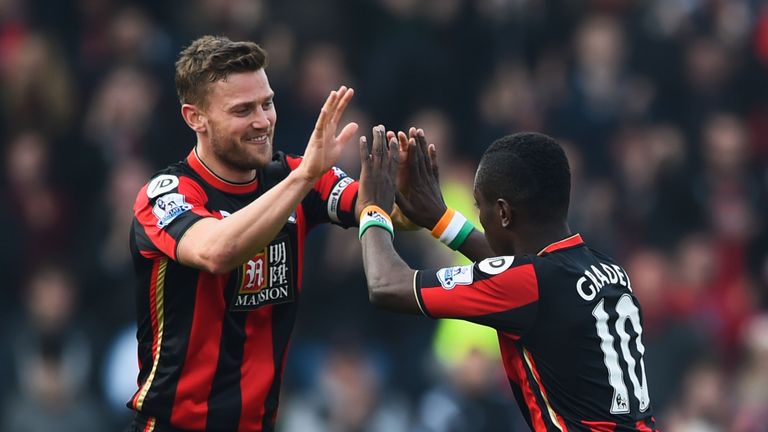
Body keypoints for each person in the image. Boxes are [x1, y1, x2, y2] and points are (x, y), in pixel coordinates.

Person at [127, 35, 362, 431]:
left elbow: (372, 205)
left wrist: (402, 189)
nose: (263, 121)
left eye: (267, 103)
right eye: (242, 110)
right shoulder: (165, 195)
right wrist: (304, 178)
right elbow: (217, 251)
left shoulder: (294, 175)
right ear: (195, 118)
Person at [356, 129, 659, 430]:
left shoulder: (529, 283)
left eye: (479, 206)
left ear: (503, 212)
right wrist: (440, 220)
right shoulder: (607, 268)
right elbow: (518, 272)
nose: (479, 217)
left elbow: (386, 285)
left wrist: (372, 209)